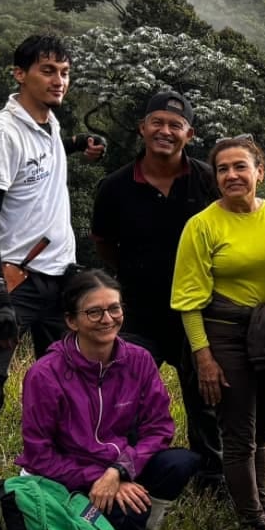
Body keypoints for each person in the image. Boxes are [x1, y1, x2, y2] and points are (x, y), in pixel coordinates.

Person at [0, 33, 104, 523]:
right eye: (47, 71)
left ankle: (64, 489)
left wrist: (80, 144)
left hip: (61, 280)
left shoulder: (49, 124)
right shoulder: (3, 133)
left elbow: (51, 152)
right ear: (20, 74)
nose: (58, 80)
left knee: (69, 390)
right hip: (16, 283)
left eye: (64, 72)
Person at [17, 269, 198, 530]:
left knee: (179, 463)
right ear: (72, 321)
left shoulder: (139, 360)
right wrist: (97, 478)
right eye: (94, 312)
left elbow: (159, 428)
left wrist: (119, 472)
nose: (107, 319)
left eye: (114, 308)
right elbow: (39, 456)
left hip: (115, 467)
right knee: (128, 512)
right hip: (63, 477)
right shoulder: (45, 374)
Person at [91, 90, 222, 484]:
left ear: (190, 133)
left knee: (206, 396)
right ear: (142, 127)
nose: (165, 131)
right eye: (157, 123)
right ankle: (125, 471)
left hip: (198, 311)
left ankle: (211, 475)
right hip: (139, 311)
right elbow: (103, 243)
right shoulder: (115, 186)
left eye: (175, 125)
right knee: (125, 394)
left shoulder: (207, 180)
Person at [171, 136, 265, 530]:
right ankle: (255, 524)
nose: (232, 176)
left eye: (241, 166)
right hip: (222, 332)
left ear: (260, 172)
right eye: (223, 169)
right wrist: (203, 357)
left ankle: (264, 506)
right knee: (237, 433)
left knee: (263, 432)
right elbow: (187, 300)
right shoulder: (202, 225)